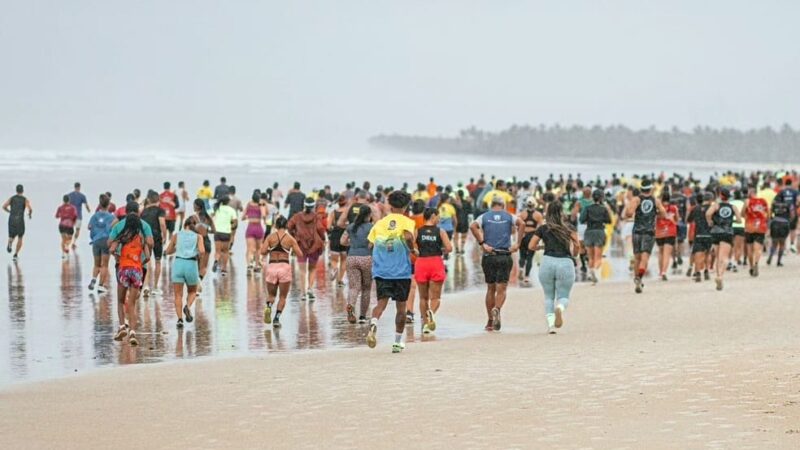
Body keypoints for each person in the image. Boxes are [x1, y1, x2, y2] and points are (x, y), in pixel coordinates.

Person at [365, 191, 416, 353]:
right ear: (406, 206)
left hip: (381, 270)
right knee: (401, 308)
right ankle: (397, 342)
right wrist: (412, 248)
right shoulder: (407, 221)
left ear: (391, 206)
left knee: (381, 303)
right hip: (401, 271)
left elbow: (370, 245)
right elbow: (408, 236)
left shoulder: (379, 223)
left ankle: (373, 322)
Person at [469, 196, 523, 331]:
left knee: (490, 288)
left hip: (489, 255)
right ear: (503, 205)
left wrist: (482, 243)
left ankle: (489, 321)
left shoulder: (484, 217)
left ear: (491, 205)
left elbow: (472, 226)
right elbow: (521, 223)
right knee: (502, 289)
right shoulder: (509, 216)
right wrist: (518, 243)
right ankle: (497, 309)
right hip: (504, 255)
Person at [528, 202, 580, 334]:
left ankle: (551, 326)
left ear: (547, 212)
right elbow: (577, 245)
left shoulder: (543, 228)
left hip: (547, 262)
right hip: (565, 262)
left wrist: (542, 247)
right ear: (561, 212)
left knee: (548, 297)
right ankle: (560, 308)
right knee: (563, 296)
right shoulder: (569, 228)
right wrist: (574, 254)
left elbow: (531, 246)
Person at [108, 212, 151, 347]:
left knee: (121, 301)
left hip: (124, 269)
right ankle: (132, 332)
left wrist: (119, 256)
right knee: (132, 303)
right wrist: (139, 261)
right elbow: (148, 256)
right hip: (137, 271)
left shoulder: (122, 237)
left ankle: (122, 327)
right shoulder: (142, 238)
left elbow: (111, 249)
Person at [414, 208, 453, 334]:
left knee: (422, 298)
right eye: (438, 217)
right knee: (435, 297)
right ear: (432, 216)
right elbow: (449, 248)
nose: (439, 219)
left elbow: (413, 248)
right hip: (435, 262)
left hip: (421, 263)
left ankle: (425, 323)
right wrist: (440, 250)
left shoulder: (417, 231)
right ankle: (431, 312)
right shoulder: (440, 231)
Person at [260, 216, 304, 328]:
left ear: (275, 225)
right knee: (283, 297)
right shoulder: (290, 239)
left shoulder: (270, 237)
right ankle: (276, 319)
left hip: (272, 266)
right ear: (286, 226)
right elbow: (300, 254)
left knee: (271, 295)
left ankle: (269, 307)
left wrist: (271, 249)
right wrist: (292, 250)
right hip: (284, 267)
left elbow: (263, 251)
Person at [624, 179, 666, 293]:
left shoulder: (636, 199)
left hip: (637, 231)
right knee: (645, 258)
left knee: (637, 258)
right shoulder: (655, 201)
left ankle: (637, 279)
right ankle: (639, 278)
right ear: (651, 189)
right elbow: (664, 213)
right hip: (649, 232)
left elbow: (628, 213)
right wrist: (654, 213)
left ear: (641, 188)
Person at [164, 216, 205, 328]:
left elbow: (168, 251)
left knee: (178, 294)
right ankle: (187, 306)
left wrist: (177, 249)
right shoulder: (198, 237)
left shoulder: (176, 235)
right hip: (191, 265)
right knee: (192, 291)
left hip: (178, 264)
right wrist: (196, 254)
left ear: (184, 225)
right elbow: (202, 251)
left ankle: (180, 320)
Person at [287, 198, 326, 300]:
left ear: (304, 205)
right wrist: (323, 238)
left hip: (301, 245)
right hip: (314, 245)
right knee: (312, 269)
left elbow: (289, 226)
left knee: (302, 271)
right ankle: (310, 289)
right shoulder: (316, 217)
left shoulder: (297, 216)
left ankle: (303, 294)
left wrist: (294, 236)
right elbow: (320, 229)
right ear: (313, 206)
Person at [340, 205, 373, 324]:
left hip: (352, 258)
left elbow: (342, 241)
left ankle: (351, 305)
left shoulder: (350, 227)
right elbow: (371, 244)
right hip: (366, 258)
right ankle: (363, 316)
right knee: (366, 289)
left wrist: (353, 245)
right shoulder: (371, 227)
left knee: (354, 287)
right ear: (368, 215)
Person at [706, 188, 741, 290]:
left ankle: (718, 275)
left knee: (717, 257)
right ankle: (720, 276)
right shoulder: (733, 207)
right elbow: (739, 220)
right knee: (725, 257)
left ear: (721, 196)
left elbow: (708, 214)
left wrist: (710, 222)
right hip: (727, 232)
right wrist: (731, 220)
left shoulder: (716, 205)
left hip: (716, 232)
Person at [580, 189, 613, 284]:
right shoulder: (603, 208)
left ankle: (591, 273)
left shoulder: (587, 208)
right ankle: (594, 272)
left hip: (589, 231)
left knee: (590, 257)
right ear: (602, 198)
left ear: (592, 198)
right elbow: (609, 221)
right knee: (598, 257)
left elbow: (581, 219)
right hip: (599, 231)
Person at [140, 191, 167, 296]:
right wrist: (164, 236)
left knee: (147, 261)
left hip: (146, 237)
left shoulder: (143, 211)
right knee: (158, 261)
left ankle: (146, 285)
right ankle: (155, 287)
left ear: (149, 200)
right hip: (156, 236)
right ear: (158, 200)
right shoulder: (160, 210)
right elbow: (162, 224)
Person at [87, 194, 114, 293]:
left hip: (96, 241)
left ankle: (94, 279)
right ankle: (100, 285)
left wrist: (97, 227)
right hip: (106, 240)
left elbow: (89, 227)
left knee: (96, 264)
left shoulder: (95, 216)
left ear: (99, 204)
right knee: (105, 265)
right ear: (108, 205)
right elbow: (113, 228)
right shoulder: (111, 217)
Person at [688, 192, 714, 282]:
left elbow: (689, 220)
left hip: (698, 234)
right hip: (709, 234)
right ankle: (706, 271)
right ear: (711, 200)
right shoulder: (712, 208)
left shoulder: (696, 208)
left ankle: (698, 273)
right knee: (708, 253)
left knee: (698, 254)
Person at [518, 197, 544, 285]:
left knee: (522, 255)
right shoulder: (538, 215)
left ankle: (521, 268)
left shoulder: (522, 214)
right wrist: (540, 239)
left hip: (523, 235)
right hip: (532, 236)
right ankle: (526, 277)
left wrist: (518, 237)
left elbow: (518, 226)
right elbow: (541, 227)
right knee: (530, 257)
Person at [743, 186, 768, 276]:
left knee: (750, 249)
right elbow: (767, 214)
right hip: (760, 227)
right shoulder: (763, 201)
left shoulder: (747, 201)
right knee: (758, 249)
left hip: (749, 227)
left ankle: (751, 267)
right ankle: (756, 263)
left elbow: (742, 214)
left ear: (750, 193)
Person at [3, 184, 32, 260]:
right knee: (20, 237)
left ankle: (10, 243)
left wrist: (9, 211)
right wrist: (30, 214)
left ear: (16, 190)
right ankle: (15, 254)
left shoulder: (12, 198)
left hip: (12, 219)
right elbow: (30, 208)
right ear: (23, 190)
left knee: (11, 235)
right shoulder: (25, 199)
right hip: (20, 220)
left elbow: (4, 206)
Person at [191, 199, 216, 287]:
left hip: (196, 241)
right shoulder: (208, 217)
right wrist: (206, 230)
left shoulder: (193, 217)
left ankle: (195, 285)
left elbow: (187, 230)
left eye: (194, 205)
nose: (193, 206)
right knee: (204, 267)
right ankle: (199, 281)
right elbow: (214, 230)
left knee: (195, 265)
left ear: (197, 206)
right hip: (206, 241)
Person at [655, 191, 679, 281]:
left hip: (659, 232)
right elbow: (677, 219)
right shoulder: (674, 208)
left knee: (661, 253)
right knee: (667, 254)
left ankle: (660, 272)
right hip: (670, 232)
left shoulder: (658, 208)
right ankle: (664, 272)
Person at [212, 195, 237, 276]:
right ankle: (224, 269)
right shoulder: (231, 210)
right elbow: (235, 223)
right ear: (228, 202)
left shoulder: (217, 208)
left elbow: (211, 217)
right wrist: (231, 227)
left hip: (217, 232)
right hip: (226, 232)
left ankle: (216, 260)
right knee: (225, 251)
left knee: (217, 251)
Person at [327, 196, 349, 287]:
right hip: (345, 236)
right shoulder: (347, 212)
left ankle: (335, 269)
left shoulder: (333, 213)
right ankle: (340, 280)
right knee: (344, 259)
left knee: (334, 259)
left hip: (335, 236)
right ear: (346, 202)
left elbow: (328, 227)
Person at [242, 191, 266, 273]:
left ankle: (249, 265)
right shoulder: (261, 205)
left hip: (250, 227)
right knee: (258, 248)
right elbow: (263, 215)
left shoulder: (248, 204)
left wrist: (248, 216)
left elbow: (242, 217)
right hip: (259, 228)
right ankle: (257, 266)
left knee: (249, 249)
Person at [767, 195, 791, 267]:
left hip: (775, 223)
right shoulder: (787, 205)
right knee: (782, 243)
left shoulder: (774, 204)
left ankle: (770, 257)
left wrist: (771, 220)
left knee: (774, 243)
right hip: (784, 223)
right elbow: (791, 214)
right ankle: (778, 261)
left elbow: (770, 214)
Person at [67, 182, 91, 248]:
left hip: (71, 216)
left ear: (74, 187)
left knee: (70, 230)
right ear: (79, 187)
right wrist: (89, 210)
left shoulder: (69, 195)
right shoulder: (82, 196)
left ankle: (68, 243)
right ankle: (74, 242)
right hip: (78, 216)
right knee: (77, 230)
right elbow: (86, 205)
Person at [55, 195, 78, 259]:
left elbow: (57, 216)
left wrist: (62, 214)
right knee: (69, 239)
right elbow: (75, 216)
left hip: (62, 225)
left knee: (63, 239)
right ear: (69, 200)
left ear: (63, 200)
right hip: (69, 225)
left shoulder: (60, 207)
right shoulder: (73, 207)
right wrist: (74, 222)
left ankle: (63, 254)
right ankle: (67, 246)